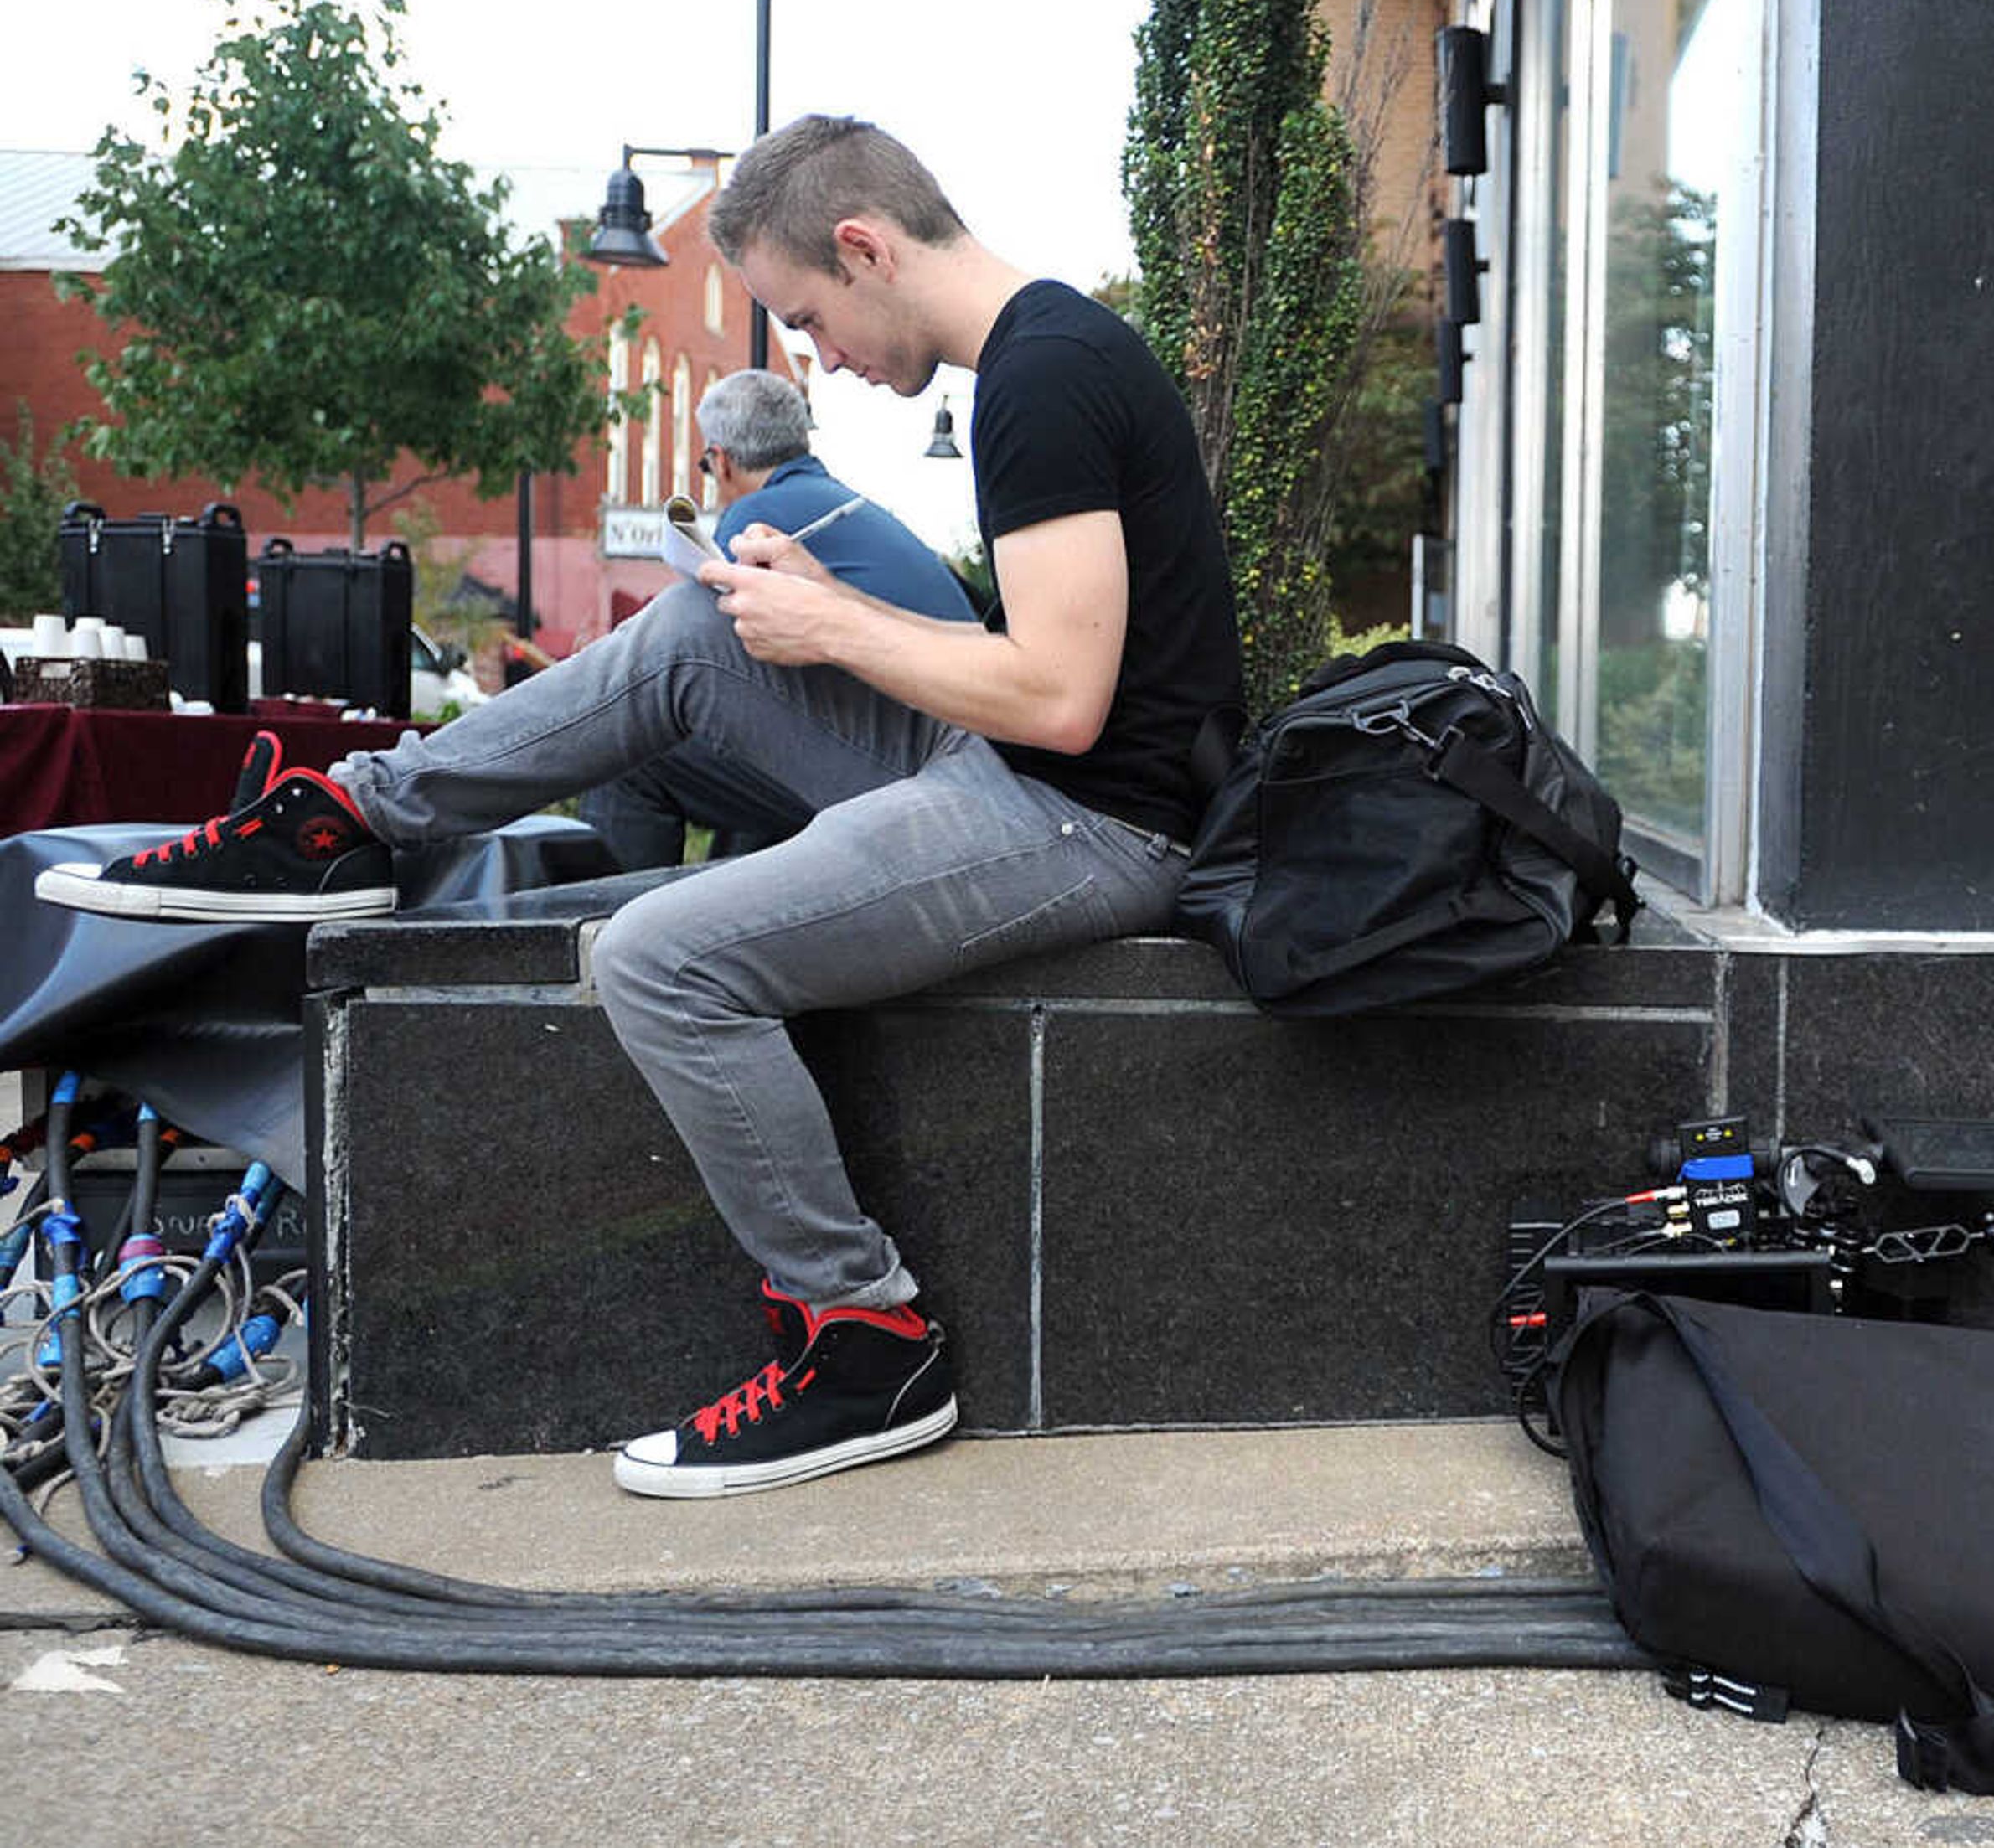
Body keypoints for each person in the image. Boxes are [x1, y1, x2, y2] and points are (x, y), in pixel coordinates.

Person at [36, 114, 1243, 1500]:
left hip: (1091, 827)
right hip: (1012, 771)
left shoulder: (1046, 377)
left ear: (864, 249)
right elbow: (1049, 667)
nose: (822, 362)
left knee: (665, 957)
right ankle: (343, 824)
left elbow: (1065, 701)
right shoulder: (1046, 356)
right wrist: (825, 605)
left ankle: (866, 1334)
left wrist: (834, 630)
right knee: (694, 634)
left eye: (808, 319)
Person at [578, 368, 977, 870]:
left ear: (720, 461)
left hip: (903, 775)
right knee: (746, 757)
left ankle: (590, 932)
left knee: (629, 759)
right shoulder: (856, 510)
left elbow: (717, 665)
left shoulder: (758, 520)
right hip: (960, 761)